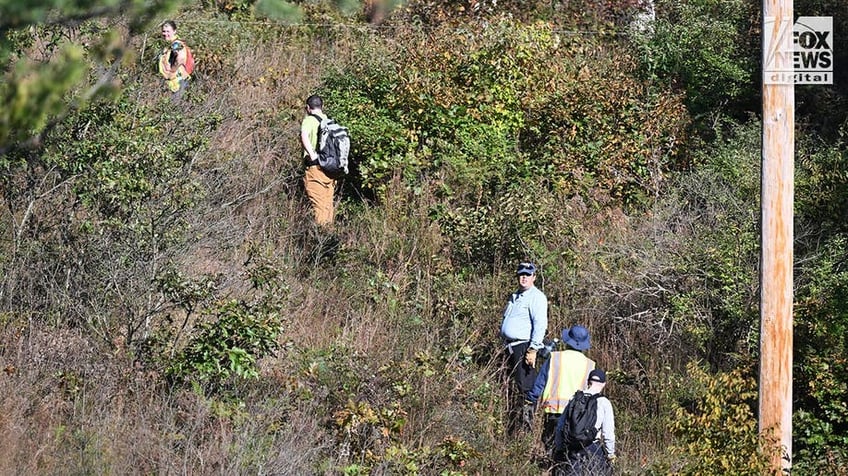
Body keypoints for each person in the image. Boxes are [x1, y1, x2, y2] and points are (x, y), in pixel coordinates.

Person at [527, 325, 595, 456]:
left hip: (554, 410)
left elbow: (540, 382)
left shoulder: (555, 358)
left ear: (568, 340)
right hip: (577, 415)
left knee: (550, 444)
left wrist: (530, 400)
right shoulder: (590, 364)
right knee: (570, 449)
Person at [500, 261, 548, 433]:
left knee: (525, 387)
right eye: (521, 274)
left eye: (528, 274)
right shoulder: (515, 296)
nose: (524, 277)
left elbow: (540, 324)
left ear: (534, 277)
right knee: (511, 386)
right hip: (509, 347)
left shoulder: (536, 297)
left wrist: (533, 349)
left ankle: (525, 428)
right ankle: (511, 424)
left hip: (524, 347)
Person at [554, 368, 616, 476]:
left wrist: (560, 448)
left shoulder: (574, 398)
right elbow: (608, 434)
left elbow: (560, 426)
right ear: (604, 384)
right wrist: (610, 454)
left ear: (588, 382)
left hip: (572, 448)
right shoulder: (604, 402)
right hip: (593, 448)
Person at [301, 94, 336, 226]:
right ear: (322, 107)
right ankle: (330, 237)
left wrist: (312, 154)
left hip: (315, 167)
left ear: (308, 108)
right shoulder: (328, 121)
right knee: (327, 205)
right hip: (330, 169)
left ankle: (321, 238)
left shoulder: (309, 120)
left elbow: (303, 136)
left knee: (319, 205)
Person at [158, 20, 190, 96]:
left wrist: (172, 70)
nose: (165, 34)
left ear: (174, 31)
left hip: (178, 82)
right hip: (172, 83)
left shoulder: (176, 44)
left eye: (168, 31)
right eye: (164, 31)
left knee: (176, 106)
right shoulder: (169, 44)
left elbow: (181, 58)